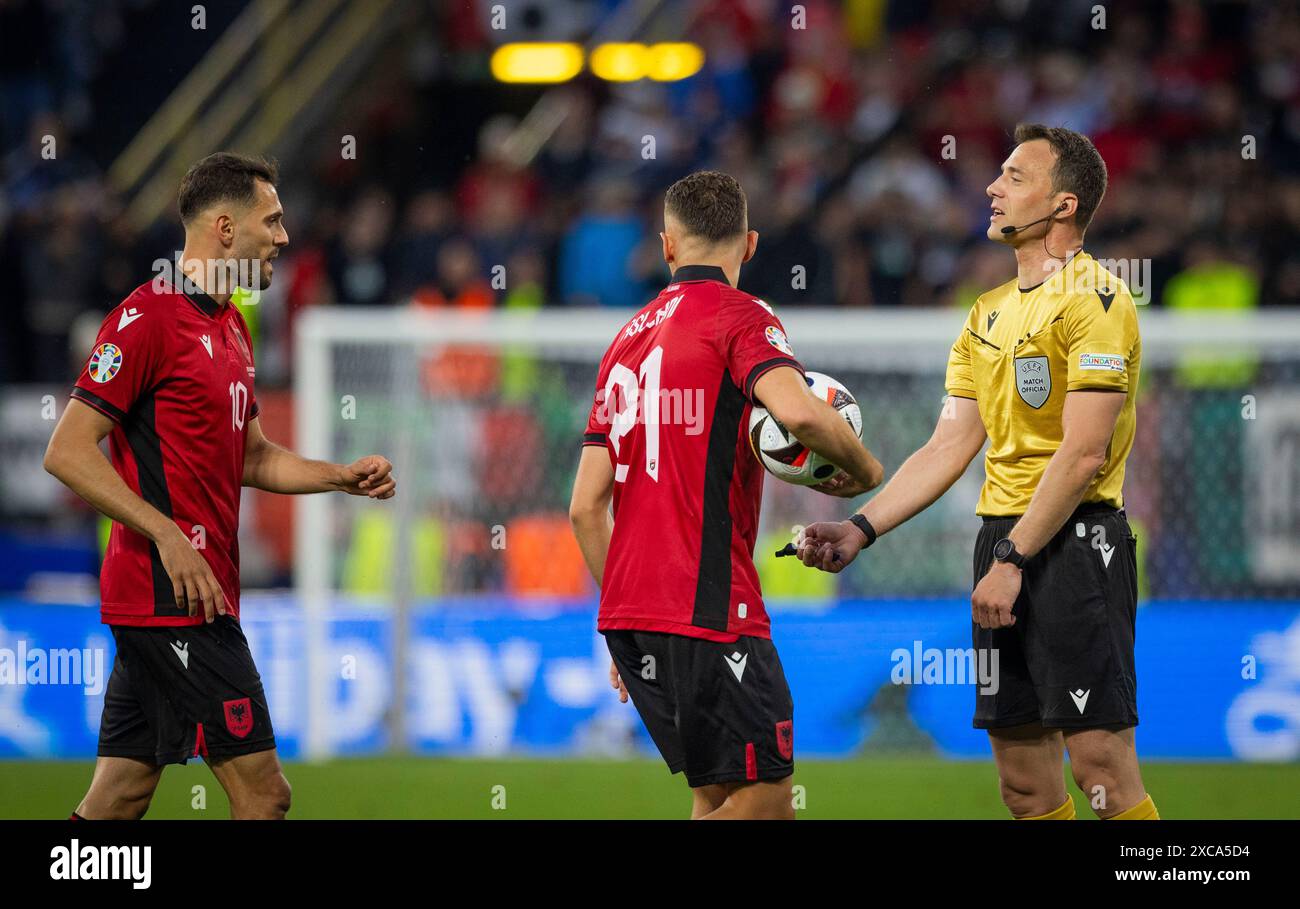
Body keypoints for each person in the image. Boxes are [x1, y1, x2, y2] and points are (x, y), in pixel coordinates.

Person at [797, 125, 1158, 820]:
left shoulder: (1098, 300)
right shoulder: (987, 313)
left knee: (1100, 766)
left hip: (1076, 544)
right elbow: (948, 444)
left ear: (1063, 204)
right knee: (1024, 784)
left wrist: (1017, 555)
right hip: (999, 545)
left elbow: (1083, 454)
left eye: (1016, 177)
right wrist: (860, 528)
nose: (992, 187)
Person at [44, 152, 396, 819]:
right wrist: (168, 533)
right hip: (174, 596)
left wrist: (338, 476)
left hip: (185, 594)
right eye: (273, 220)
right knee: (264, 794)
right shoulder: (146, 319)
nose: (284, 237)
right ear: (226, 230)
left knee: (118, 796)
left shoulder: (232, 324)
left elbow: (252, 458)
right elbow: (66, 450)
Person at [569, 170, 882, 819]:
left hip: (630, 611)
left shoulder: (624, 340)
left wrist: (624, 620)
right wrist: (865, 469)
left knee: (714, 794)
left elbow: (584, 506)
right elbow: (799, 414)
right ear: (750, 244)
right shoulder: (743, 317)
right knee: (768, 798)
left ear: (666, 246)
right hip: (708, 603)